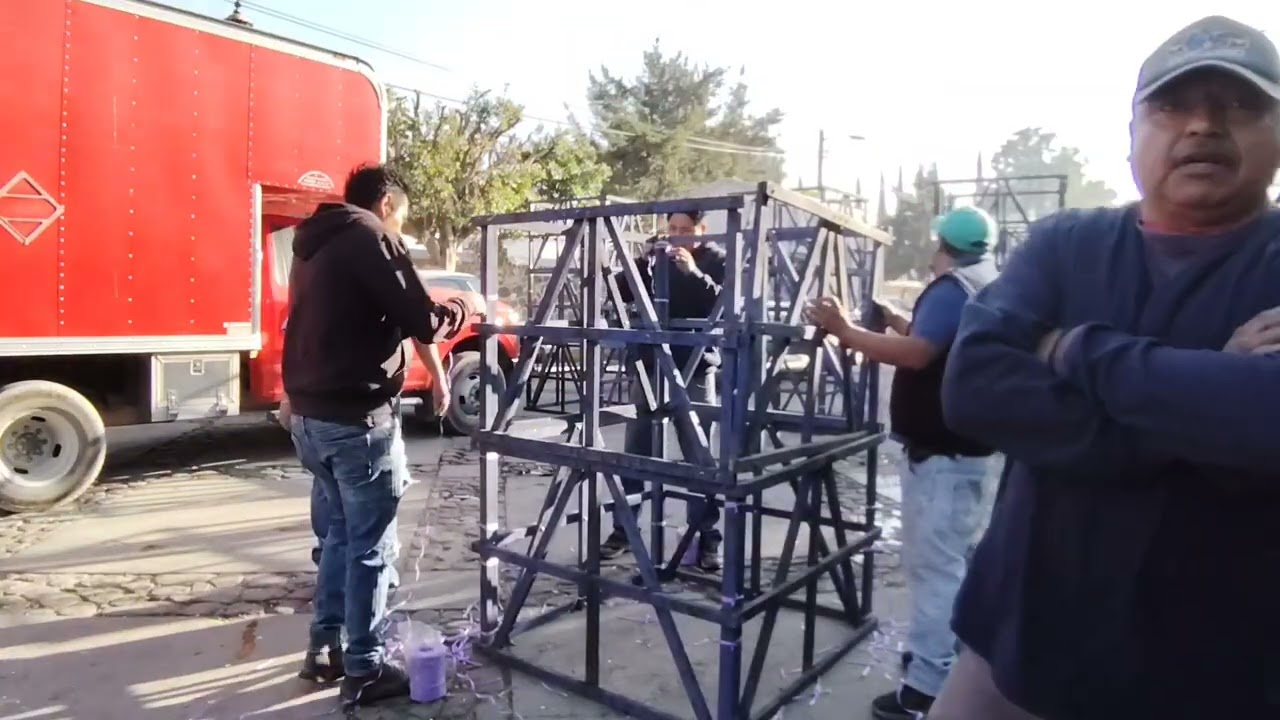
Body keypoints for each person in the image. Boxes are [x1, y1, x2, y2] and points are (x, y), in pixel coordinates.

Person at [933, 15, 1280, 719]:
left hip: (1207, 681)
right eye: (1173, 105)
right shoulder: (1067, 243)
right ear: (1131, 136)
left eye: (1240, 105)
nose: (1203, 126)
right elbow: (973, 388)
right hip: (1011, 652)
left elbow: (1266, 421)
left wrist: (1070, 349)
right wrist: (1201, 398)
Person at [282, 164, 479, 707]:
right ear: (388, 203)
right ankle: (364, 669)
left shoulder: (314, 243)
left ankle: (323, 650)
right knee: (370, 547)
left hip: (311, 419)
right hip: (355, 421)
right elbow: (423, 319)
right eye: (403, 215)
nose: (400, 226)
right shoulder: (371, 238)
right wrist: (464, 308)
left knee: (340, 538)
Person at [805, 206, 999, 720]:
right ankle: (954, 670)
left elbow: (917, 354)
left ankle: (926, 692)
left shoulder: (954, 286)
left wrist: (844, 331)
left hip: (945, 459)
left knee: (937, 572)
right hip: (965, 453)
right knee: (952, 565)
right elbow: (933, 341)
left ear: (944, 243)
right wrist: (892, 319)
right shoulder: (985, 280)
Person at [599, 210, 727, 572]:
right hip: (652, 367)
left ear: (702, 231)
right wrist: (630, 263)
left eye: (685, 230)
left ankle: (705, 540)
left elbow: (724, 304)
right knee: (637, 453)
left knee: (699, 459)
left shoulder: (718, 261)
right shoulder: (657, 257)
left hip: (697, 369)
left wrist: (693, 273)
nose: (677, 236)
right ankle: (623, 531)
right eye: (672, 229)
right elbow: (621, 289)